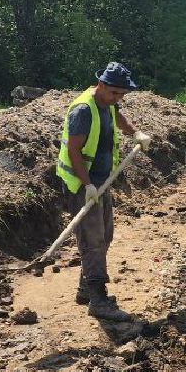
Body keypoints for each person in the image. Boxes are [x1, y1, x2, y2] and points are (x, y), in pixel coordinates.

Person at [56, 62, 151, 321]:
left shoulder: (107, 103)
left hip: (101, 180)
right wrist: (87, 185)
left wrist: (135, 133)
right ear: (102, 85)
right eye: (115, 94)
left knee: (105, 235)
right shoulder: (83, 111)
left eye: (122, 95)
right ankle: (98, 300)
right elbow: (74, 151)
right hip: (81, 183)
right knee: (93, 239)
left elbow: (117, 116)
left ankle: (86, 288)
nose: (118, 99)